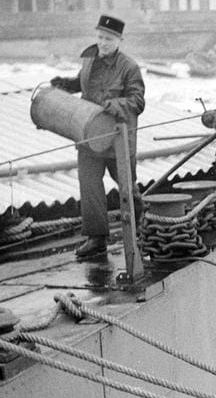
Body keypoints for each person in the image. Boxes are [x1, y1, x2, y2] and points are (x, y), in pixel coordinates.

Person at [50, 15, 146, 258]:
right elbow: (82, 83)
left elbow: (138, 101)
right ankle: (96, 238)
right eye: (100, 37)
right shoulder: (90, 59)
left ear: (119, 40)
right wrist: (66, 84)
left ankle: (141, 229)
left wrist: (115, 104)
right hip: (89, 135)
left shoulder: (129, 67)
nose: (102, 42)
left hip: (117, 138)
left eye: (108, 39)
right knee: (89, 183)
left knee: (127, 187)